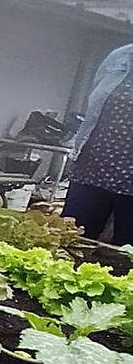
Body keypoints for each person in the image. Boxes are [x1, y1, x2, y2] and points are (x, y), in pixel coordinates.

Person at [62, 42, 133, 245]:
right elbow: (94, 106)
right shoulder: (119, 57)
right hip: (92, 169)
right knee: (71, 243)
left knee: (125, 258)